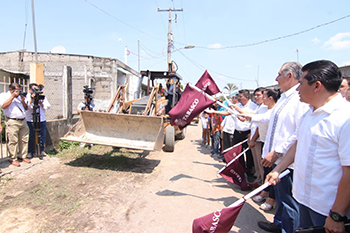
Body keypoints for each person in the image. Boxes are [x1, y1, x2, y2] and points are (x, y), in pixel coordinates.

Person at [266, 60, 350, 233]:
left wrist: (337, 215)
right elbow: (298, 145)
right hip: (303, 198)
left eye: (301, 84)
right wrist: (278, 169)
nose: (297, 89)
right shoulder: (308, 113)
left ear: (317, 86)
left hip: (327, 208)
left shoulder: (344, 118)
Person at [257, 62, 309, 233]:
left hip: (287, 161)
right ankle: (279, 224)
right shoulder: (285, 98)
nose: (275, 78)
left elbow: (298, 132)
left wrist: (278, 151)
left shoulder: (300, 99)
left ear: (290, 76)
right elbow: (270, 120)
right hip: (277, 159)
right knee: (280, 196)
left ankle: (289, 229)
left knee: (289, 201)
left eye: (279, 74)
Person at [239, 89, 281, 211]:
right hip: (265, 143)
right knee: (266, 169)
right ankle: (265, 191)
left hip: (275, 146)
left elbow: (262, 118)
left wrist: (248, 117)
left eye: (264, 97)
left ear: (271, 98)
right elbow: (257, 119)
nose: (262, 99)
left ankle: (271, 197)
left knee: (273, 171)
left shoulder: (276, 110)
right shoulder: (262, 108)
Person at [231, 89, 259, 182]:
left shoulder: (254, 106)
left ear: (246, 97)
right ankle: (240, 172)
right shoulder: (237, 106)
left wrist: (237, 109)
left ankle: (250, 173)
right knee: (237, 154)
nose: (238, 98)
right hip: (237, 132)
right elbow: (228, 113)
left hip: (247, 133)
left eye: (240, 96)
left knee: (249, 155)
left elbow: (252, 117)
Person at [0, 83, 30, 167]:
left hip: (23, 120)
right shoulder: (4, 95)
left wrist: (23, 100)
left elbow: (26, 108)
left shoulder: (19, 97)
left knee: (24, 139)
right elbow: (3, 106)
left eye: (19, 90)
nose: (18, 92)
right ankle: (13, 158)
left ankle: (22, 155)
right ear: (10, 89)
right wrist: (12, 96)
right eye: (17, 90)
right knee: (13, 141)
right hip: (12, 121)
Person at [25, 83, 51, 158]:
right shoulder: (27, 96)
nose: (35, 91)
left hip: (41, 119)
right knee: (31, 136)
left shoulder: (41, 97)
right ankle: (30, 151)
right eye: (34, 89)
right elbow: (27, 107)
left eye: (37, 89)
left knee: (42, 135)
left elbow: (48, 106)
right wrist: (32, 99)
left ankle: (41, 150)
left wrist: (41, 103)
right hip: (30, 119)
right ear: (30, 89)